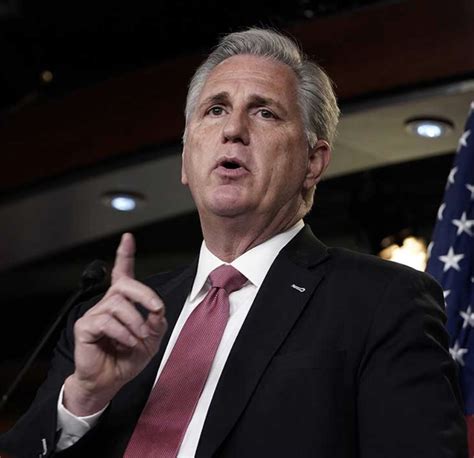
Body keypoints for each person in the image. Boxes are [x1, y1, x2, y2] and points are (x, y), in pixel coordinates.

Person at [0, 28, 467, 457]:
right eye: (215, 109)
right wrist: (83, 397)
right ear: (186, 160)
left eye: (264, 111)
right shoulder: (108, 320)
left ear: (313, 162)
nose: (233, 129)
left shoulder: (381, 302)